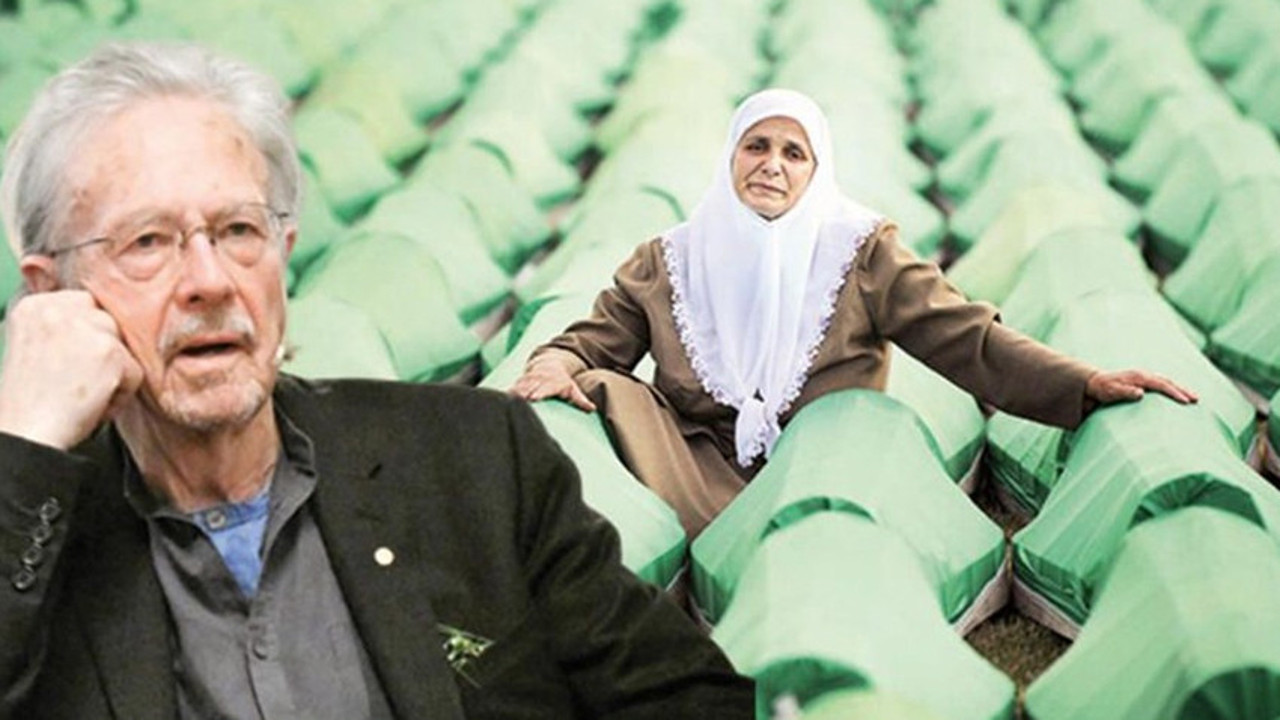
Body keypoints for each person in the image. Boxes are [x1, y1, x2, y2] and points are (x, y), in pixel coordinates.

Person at [0, 43, 753, 719]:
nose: (211, 280)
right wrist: (24, 443)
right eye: (148, 242)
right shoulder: (29, 540)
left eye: (238, 231)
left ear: (284, 251)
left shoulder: (477, 460)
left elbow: (688, 699)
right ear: (51, 293)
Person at [510, 88, 1197, 538]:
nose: (772, 165)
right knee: (594, 389)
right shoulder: (671, 259)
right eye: (756, 146)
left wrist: (1082, 384)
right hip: (690, 460)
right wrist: (555, 363)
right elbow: (591, 343)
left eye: (794, 153)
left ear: (816, 172)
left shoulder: (860, 253)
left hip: (821, 462)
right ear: (730, 157)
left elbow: (966, 338)